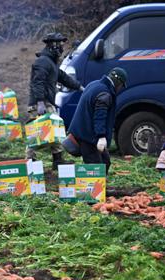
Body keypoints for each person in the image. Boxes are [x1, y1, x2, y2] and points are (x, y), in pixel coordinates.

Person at [27, 32, 82, 169]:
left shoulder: (51, 62)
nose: (62, 48)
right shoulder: (43, 62)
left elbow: (63, 77)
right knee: (36, 133)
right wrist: (40, 101)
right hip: (40, 103)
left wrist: (79, 87)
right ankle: (30, 161)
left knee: (55, 130)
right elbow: (37, 82)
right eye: (60, 44)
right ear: (53, 45)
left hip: (46, 102)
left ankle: (57, 160)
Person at [65, 67, 128, 174]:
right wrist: (101, 136)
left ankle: (101, 183)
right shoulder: (105, 93)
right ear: (118, 82)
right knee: (95, 167)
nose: (121, 88)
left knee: (105, 162)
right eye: (121, 85)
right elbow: (100, 116)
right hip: (88, 137)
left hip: (85, 132)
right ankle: (93, 184)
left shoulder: (94, 84)